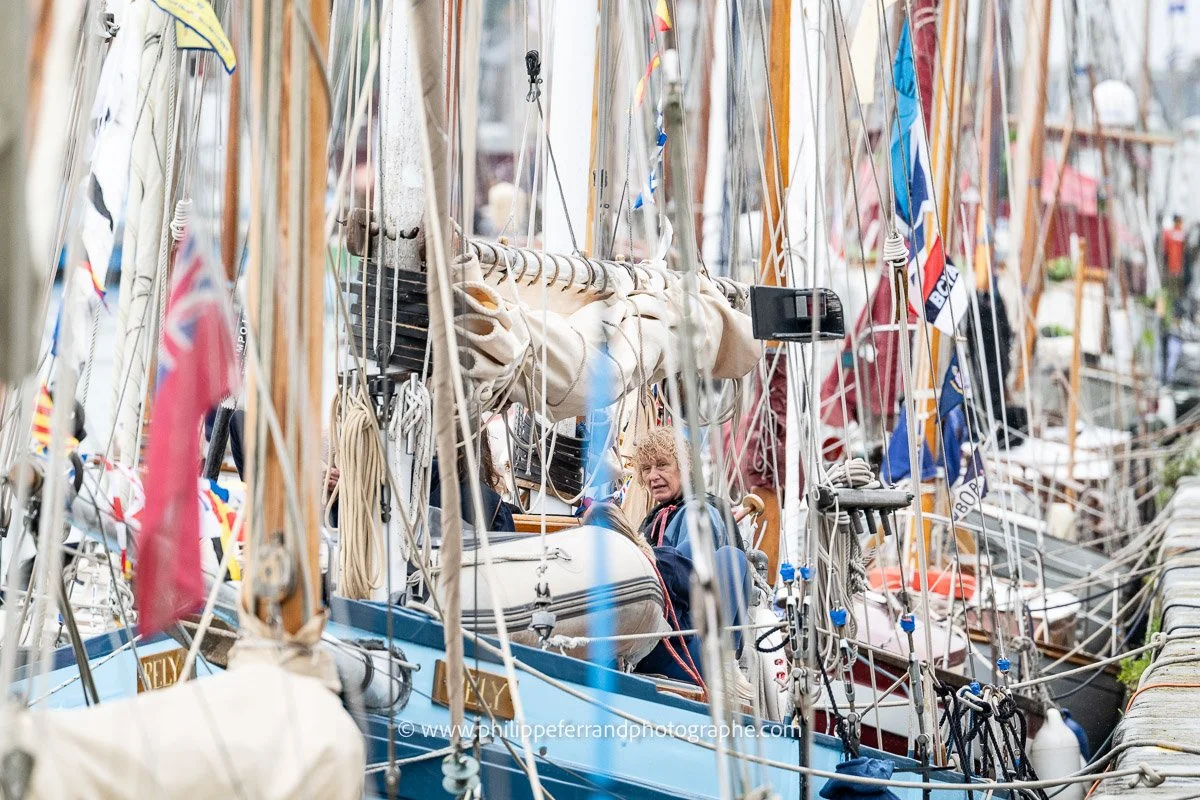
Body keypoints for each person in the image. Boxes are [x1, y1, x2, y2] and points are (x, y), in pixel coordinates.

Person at [617, 427, 754, 684]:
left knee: (731, 558)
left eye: (662, 465)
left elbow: (683, 572)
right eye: (646, 469)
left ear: (684, 466)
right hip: (652, 651)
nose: (653, 476)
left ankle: (724, 666)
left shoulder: (702, 511)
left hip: (686, 647)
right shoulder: (651, 522)